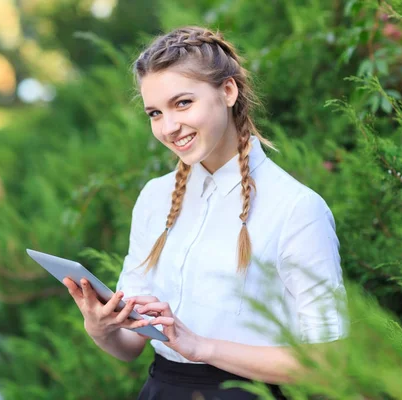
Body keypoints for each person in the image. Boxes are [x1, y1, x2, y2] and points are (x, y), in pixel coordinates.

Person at [63, 26, 348, 400]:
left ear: (228, 91)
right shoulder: (154, 198)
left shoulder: (297, 208)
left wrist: (201, 347)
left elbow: (327, 360)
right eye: (154, 112)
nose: (168, 127)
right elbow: (130, 346)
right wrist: (100, 326)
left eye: (182, 103)